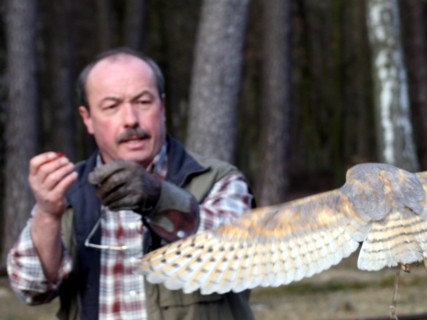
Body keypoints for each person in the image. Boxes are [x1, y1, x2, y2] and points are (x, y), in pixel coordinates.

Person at [6, 47, 255, 319]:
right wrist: (47, 214)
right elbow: (30, 288)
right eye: (112, 106)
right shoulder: (67, 190)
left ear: (162, 107)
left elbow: (240, 254)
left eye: (143, 102)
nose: (131, 120)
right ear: (88, 119)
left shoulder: (217, 179)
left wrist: (159, 198)